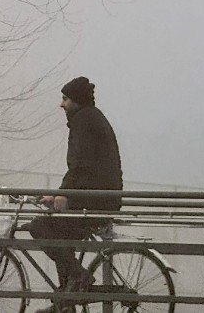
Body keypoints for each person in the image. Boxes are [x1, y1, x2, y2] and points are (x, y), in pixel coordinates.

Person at [28, 76, 123, 313]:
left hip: (96, 201)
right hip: (101, 197)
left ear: (76, 100)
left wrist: (64, 195)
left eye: (65, 98)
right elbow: (83, 167)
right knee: (60, 233)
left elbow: (81, 164)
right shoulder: (90, 117)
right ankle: (66, 303)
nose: (61, 104)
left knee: (40, 226)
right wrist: (60, 195)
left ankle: (79, 278)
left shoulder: (83, 121)